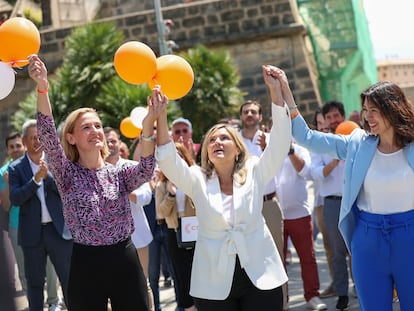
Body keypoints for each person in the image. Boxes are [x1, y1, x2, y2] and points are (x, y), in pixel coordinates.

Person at [27, 55, 164, 310]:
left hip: (124, 257)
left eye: (98, 126)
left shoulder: (119, 172)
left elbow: (146, 169)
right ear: (71, 137)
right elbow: (46, 135)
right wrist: (42, 87)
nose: (95, 131)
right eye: (86, 127)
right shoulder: (66, 173)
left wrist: (148, 127)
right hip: (86, 262)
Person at [277, 67, 414, 310]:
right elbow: (307, 137)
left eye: (375, 110)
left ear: (392, 110)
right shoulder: (357, 142)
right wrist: (286, 93)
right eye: (365, 110)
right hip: (368, 240)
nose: (368, 116)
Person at [155, 65, 291, 310]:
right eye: (212, 140)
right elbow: (167, 159)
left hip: (260, 273)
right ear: (206, 150)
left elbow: (280, 142)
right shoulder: (196, 178)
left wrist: (275, 93)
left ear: (238, 147)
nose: (217, 141)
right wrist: (161, 115)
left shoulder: (255, 170)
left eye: (224, 138)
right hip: (213, 281)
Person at [8, 119, 73, 311]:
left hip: (58, 231)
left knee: (68, 279)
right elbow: (16, 198)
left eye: (40, 137)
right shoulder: (16, 168)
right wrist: (35, 181)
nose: (37, 141)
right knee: (35, 284)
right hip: (32, 234)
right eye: (32, 138)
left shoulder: (56, 161)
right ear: (24, 140)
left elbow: (67, 190)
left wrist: (48, 177)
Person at [239, 100, 288, 308]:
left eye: (253, 111)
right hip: (243, 208)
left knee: (276, 256)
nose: (249, 114)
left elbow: (281, 168)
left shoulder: (269, 139)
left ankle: (283, 303)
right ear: (241, 116)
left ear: (260, 116)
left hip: (268, 204)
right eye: (246, 112)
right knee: (247, 259)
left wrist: (268, 150)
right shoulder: (234, 142)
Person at [104, 127, 155, 311]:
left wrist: (128, 191)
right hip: (108, 240)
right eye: (106, 141)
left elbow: (146, 196)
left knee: (143, 282)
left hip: (138, 237)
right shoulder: (95, 170)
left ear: (119, 143)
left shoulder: (132, 167)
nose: (110, 144)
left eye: (113, 140)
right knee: (114, 288)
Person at [275, 141, 327, 310]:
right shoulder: (268, 148)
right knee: (277, 261)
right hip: (275, 214)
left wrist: (290, 151)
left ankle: (312, 296)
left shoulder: (300, 149)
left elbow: (306, 172)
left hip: (299, 213)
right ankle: (282, 299)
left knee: (308, 258)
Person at [156, 142, 196, 311]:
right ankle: (188, 307)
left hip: (195, 229)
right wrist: (171, 194)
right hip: (174, 230)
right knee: (181, 275)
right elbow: (160, 212)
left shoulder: (195, 177)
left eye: (178, 155)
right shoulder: (162, 185)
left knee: (200, 270)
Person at [308, 110, 335, 298]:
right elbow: (316, 173)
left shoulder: (341, 140)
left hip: (344, 200)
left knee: (350, 247)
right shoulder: (314, 146)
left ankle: (357, 283)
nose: (323, 126)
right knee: (329, 247)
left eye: (325, 121)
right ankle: (337, 283)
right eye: (319, 123)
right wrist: (333, 164)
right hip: (321, 202)